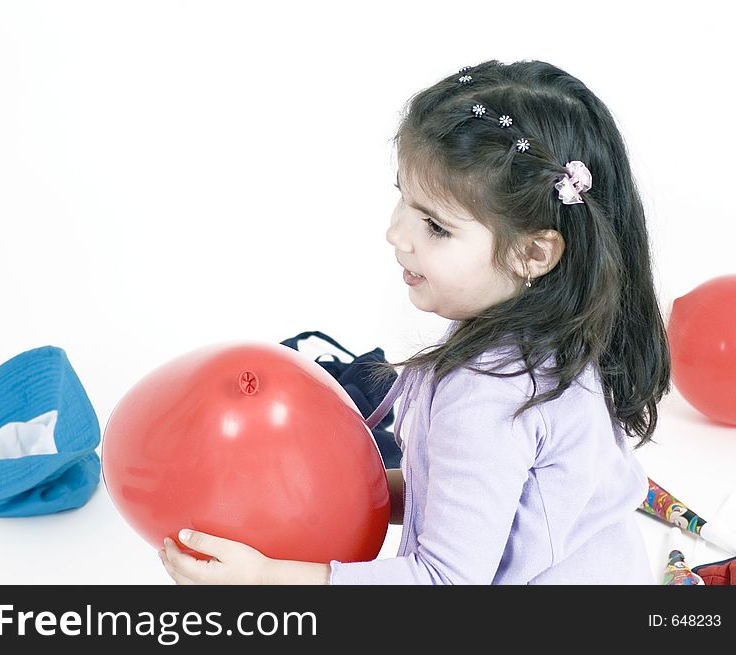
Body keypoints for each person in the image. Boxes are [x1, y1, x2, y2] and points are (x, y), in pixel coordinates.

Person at [159, 59, 670, 584]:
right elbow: (464, 496)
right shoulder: (540, 330)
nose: (396, 233)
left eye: (435, 225)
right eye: (403, 195)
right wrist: (344, 492)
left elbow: (445, 583)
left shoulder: (490, 392)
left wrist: (273, 580)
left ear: (533, 253)